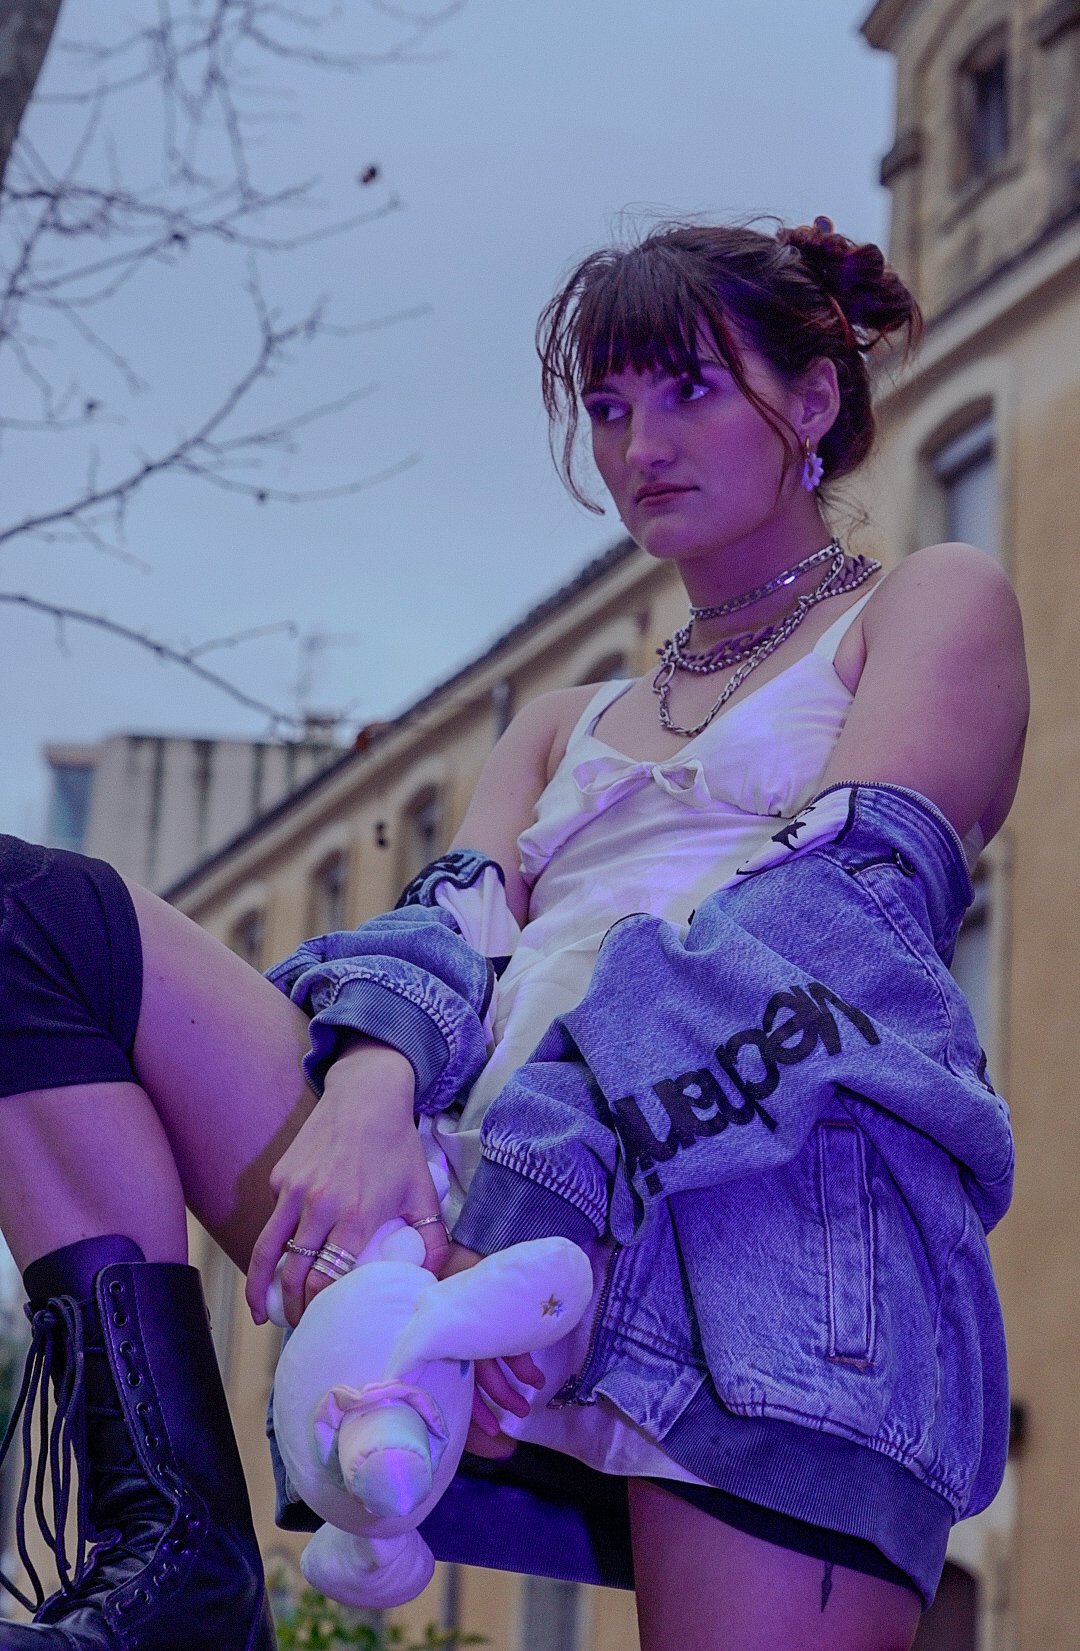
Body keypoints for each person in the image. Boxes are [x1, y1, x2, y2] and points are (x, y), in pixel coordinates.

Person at [0, 216, 1028, 1651]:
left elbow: (837, 927)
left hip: (771, 1247)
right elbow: (453, 927)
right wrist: (366, 1085)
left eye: (686, 391)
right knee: (27, 923)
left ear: (811, 401)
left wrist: (542, 1187)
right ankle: (172, 1546)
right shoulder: (563, 720)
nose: (635, 444)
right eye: (606, 408)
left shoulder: (929, 604)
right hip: (475, 1211)